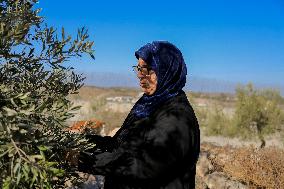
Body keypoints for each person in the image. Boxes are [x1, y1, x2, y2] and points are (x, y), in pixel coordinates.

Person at [77, 41, 200, 189]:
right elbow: (120, 145)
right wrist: (80, 142)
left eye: (148, 69)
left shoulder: (177, 118)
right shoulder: (148, 104)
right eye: (139, 69)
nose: (140, 76)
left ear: (167, 71)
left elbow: (142, 166)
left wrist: (81, 159)